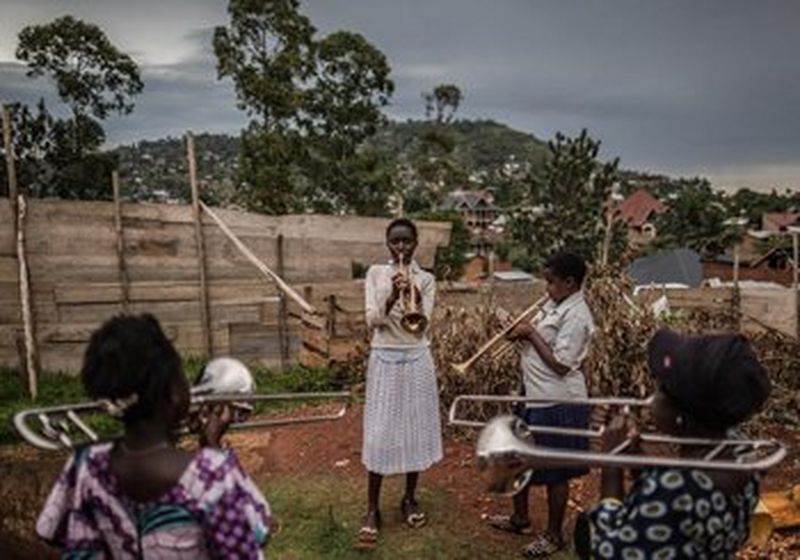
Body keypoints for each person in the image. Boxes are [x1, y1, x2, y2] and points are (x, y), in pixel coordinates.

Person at [36, 313, 274, 559]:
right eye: (182, 376)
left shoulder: (85, 465)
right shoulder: (212, 471)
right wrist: (211, 444)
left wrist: (172, 435)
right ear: (172, 393)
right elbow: (258, 532)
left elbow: (50, 531)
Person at [574, 328, 770, 559]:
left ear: (681, 416)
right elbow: (674, 519)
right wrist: (637, 458)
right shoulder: (738, 450)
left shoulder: (675, 490)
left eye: (661, 389)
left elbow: (609, 550)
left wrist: (611, 468)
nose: (652, 397)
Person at [489, 252, 595, 558]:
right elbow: (537, 344)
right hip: (532, 394)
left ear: (570, 282)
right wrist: (519, 333)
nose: (546, 287)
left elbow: (562, 364)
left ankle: (553, 535)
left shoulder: (577, 315)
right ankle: (520, 519)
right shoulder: (555, 304)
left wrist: (531, 333)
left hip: (558, 400)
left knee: (555, 471)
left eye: (550, 281)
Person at [357, 218, 443, 547]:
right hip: (384, 358)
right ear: (387, 242)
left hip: (417, 357)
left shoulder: (427, 279)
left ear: (416, 242)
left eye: (407, 241)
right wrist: (392, 296)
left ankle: (409, 499)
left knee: (415, 429)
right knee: (379, 433)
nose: (402, 247)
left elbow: (423, 326)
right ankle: (371, 509)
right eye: (396, 241)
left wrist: (416, 297)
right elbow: (372, 322)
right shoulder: (376, 274)